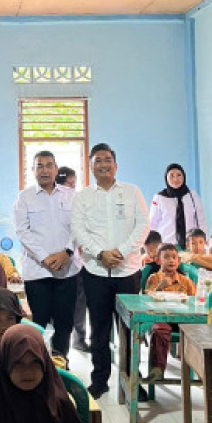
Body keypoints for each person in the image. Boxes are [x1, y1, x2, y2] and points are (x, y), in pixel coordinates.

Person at [71, 143, 149, 399]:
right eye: (97, 161)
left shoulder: (131, 192)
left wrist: (121, 252)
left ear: (115, 164)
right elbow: (79, 230)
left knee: (129, 330)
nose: (103, 164)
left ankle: (133, 382)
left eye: (107, 160)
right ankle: (100, 380)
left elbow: (142, 226)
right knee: (100, 329)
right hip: (95, 272)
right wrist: (100, 253)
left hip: (128, 272)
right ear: (91, 166)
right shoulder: (83, 197)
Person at [14, 151, 81, 360]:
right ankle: (37, 365)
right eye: (39, 166)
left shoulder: (71, 196)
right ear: (33, 170)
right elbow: (22, 231)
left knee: (64, 323)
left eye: (48, 165)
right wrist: (45, 257)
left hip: (67, 271)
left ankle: (61, 365)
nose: (44, 170)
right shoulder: (24, 198)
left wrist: (67, 252)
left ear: (56, 169)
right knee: (38, 324)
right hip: (37, 272)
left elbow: (79, 227)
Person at [145, 244, 196, 383]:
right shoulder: (154, 278)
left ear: (178, 260)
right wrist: (160, 287)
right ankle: (157, 370)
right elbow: (145, 298)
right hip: (161, 319)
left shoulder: (185, 281)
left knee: (198, 330)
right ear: (158, 260)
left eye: (174, 257)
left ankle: (204, 371)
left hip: (182, 320)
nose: (171, 260)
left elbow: (194, 301)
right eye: (166, 257)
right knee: (159, 329)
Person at [55, 166, 90, 355]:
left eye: (74, 184)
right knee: (70, 306)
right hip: (62, 262)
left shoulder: (77, 201)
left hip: (74, 261)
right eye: (71, 183)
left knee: (77, 304)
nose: (73, 188)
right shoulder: (63, 201)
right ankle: (70, 342)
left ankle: (77, 339)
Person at [148, 163, 206, 250]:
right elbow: (152, 223)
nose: (175, 179)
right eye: (171, 176)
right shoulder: (159, 197)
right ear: (166, 178)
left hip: (190, 245)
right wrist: (151, 245)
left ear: (184, 177)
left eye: (179, 175)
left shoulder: (192, 196)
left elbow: (201, 221)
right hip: (167, 244)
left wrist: (204, 241)